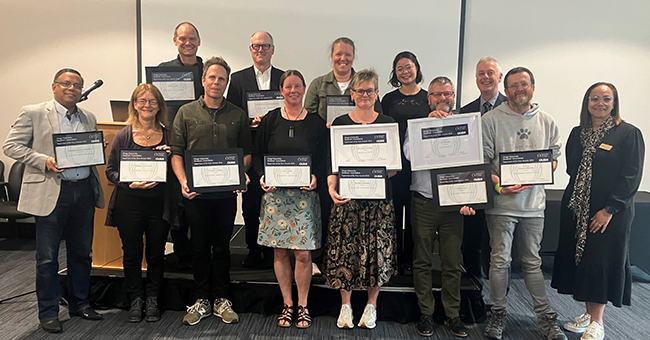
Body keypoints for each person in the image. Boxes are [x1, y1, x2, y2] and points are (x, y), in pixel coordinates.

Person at [3, 68, 105, 333]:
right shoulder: (34, 112)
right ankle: (48, 311)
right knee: (47, 257)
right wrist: (44, 161)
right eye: (66, 84)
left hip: (82, 190)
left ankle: (79, 303)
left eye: (77, 85)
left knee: (82, 253)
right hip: (51, 191)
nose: (72, 88)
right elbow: (11, 146)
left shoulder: (89, 117)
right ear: (54, 86)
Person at [551, 82, 645, 340]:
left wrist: (609, 209)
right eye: (594, 98)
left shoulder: (628, 133)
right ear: (587, 102)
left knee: (600, 261)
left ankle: (598, 322)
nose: (600, 103)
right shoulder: (576, 132)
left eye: (606, 99)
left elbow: (631, 176)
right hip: (577, 208)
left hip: (609, 212)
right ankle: (587, 314)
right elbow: (572, 170)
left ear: (614, 103)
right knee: (583, 261)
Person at [481, 67, 566, 340]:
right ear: (506, 91)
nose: (520, 89)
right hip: (501, 205)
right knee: (499, 261)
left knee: (532, 262)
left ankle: (545, 318)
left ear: (533, 87)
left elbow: (553, 159)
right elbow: (483, 161)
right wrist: (498, 183)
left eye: (524, 84)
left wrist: (541, 172)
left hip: (534, 205)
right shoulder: (491, 120)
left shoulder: (548, 121)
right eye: (514, 85)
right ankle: (498, 314)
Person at [171, 56, 253, 326]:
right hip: (196, 195)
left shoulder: (237, 115)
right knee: (198, 247)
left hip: (226, 195)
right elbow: (177, 153)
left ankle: (221, 299)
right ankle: (200, 300)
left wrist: (240, 174)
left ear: (227, 83)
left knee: (222, 248)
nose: (217, 82)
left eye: (222, 79)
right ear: (203, 80)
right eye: (212, 77)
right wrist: (183, 181)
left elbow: (247, 154)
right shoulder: (185, 113)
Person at [254, 70, 328, 328]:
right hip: (276, 198)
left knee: (304, 255)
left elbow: (325, 158)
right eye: (288, 86)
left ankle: (304, 305)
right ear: (281, 90)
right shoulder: (271, 120)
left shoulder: (316, 122)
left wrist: (317, 176)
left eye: (298, 86)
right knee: (281, 252)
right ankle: (287, 304)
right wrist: (262, 176)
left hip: (304, 198)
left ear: (304, 89)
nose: (293, 91)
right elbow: (258, 153)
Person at [325, 69, 397, 329]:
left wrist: (371, 174)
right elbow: (332, 165)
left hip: (378, 202)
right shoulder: (340, 124)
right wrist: (332, 188)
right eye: (359, 91)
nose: (364, 95)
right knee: (345, 252)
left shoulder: (388, 123)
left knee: (376, 252)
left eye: (370, 90)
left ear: (377, 94)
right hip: (348, 199)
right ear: (351, 95)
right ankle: (345, 306)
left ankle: (371, 306)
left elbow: (394, 168)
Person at [105, 83, 179, 323]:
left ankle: (153, 299)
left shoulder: (169, 136)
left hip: (159, 205)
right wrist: (128, 184)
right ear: (134, 105)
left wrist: (171, 157)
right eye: (142, 101)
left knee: (157, 254)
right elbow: (111, 171)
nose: (147, 105)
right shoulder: (124, 135)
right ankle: (136, 299)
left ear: (160, 106)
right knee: (132, 254)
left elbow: (179, 172)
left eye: (152, 101)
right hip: (129, 204)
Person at [406, 76, 471, 338]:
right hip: (423, 200)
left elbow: (472, 164)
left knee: (452, 262)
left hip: (454, 205)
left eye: (447, 94)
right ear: (428, 98)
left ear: (453, 96)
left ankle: (452, 315)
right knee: (422, 260)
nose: (442, 99)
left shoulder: (466, 125)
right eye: (437, 94)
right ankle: (426, 313)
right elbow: (410, 155)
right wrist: (429, 129)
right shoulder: (418, 126)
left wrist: (470, 197)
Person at [227, 31, 284, 269]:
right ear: (250, 49)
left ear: (273, 49)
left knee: (273, 201)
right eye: (256, 46)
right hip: (249, 146)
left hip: (275, 150)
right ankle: (253, 249)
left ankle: (273, 252)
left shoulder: (283, 77)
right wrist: (247, 123)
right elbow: (232, 111)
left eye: (265, 46)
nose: (261, 50)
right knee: (250, 203)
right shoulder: (238, 79)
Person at [158, 21, 204, 269]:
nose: (188, 43)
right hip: (171, 146)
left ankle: (199, 251)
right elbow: (154, 107)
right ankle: (181, 252)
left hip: (200, 147)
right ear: (175, 41)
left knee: (197, 200)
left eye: (192, 38)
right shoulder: (164, 71)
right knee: (175, 201)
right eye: (183, 38)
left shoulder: (206, 71)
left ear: (199, 42)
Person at [459, 57, 508, 282]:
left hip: (504, 189)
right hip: (474, 187)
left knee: (498, 246)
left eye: (490, 73)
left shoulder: (512, 108)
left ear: (499, 77)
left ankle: (500, 298)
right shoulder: (465, 112)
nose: (485, 77)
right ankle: (473, 291)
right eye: (481, 73)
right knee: (471, 241)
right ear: (476, 79)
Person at [381, 51, 429, 274]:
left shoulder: (428, 97)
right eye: (400, 68)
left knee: (413, 216)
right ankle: (392, 260)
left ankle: (409, 261)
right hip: (394, 166)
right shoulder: (388, 99)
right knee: (392, 214)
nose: (405, 71)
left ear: (417, 68)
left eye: (408, 67)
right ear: (395, 73)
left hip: (419, 167)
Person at [304, 37, 382, 123]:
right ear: (331, 56)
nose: (343, 58)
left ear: (353, 57)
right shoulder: (318, 84)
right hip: (324, 135)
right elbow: (308, 117)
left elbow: (377, 115)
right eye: (338, 54)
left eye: (348, 54)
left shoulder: (366, 84)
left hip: (358, 135)